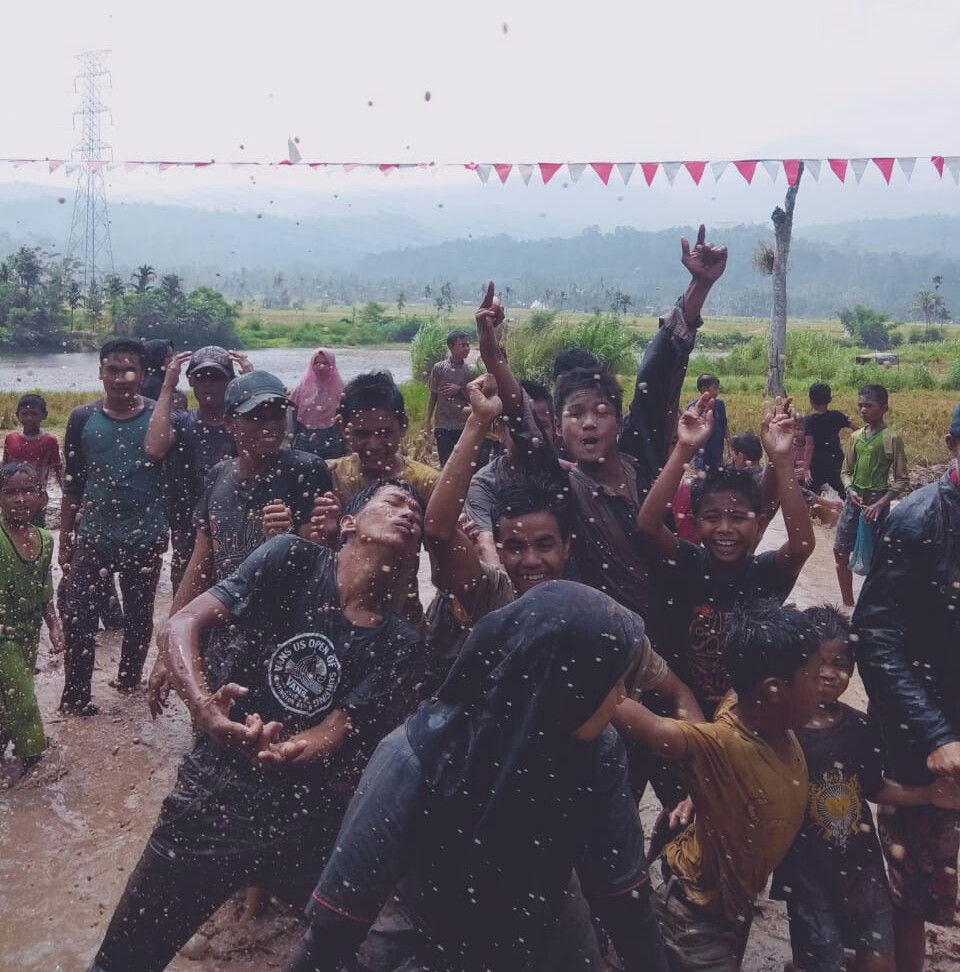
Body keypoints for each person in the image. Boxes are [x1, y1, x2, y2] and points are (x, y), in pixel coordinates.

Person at [90, 481, 427, 972]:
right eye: (395, 502)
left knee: (367, 956)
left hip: (305, 824)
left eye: (416, 512)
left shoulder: (399, 643)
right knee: (121, 964)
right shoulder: (290, 558)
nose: (408, 513)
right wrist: (205, 709)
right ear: (350, 523)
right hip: (209, 802)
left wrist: (288, 749)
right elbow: (182, 624)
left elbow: (334, 733)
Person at [286, 582, 670, 972]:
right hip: (425, 931)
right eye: (612, 682)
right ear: (567, 687)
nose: (623, 696)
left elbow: (624, 897)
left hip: (547, 919)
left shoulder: (599, 750)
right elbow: (337, 923)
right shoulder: (415, 757)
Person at [476, 224, 728, 645]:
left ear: (618, 421)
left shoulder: (641, 459)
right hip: (602, 641)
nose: (589, 422)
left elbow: (656, 370)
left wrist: (698, 288)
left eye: (601, 412)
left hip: (670, 628)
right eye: (575, 413)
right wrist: (490, 352)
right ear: (557, 426)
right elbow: (521, 417)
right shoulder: (560, 483)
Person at [616, 599, 825, 970]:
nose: (823, 685)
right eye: (814, 675)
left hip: (732, 901)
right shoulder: (725, 743)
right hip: (689, 912)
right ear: (775, 689)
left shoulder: (752, 707)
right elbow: (655, 729)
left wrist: (706, 791)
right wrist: (597, 682)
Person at [771, 605, 960, 972]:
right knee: (819, 960)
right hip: (806, 871)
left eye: (841, 663)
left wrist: (926, 795)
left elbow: (874, 788)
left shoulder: (860, 727)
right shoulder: (782, 730)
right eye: (817, 663)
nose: (829, 674)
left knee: (880, 964)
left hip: (861, 865)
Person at [146, 368, 335, 717]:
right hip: (224, 634)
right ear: (230, 424)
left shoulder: (306, 470)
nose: (270, 425)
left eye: (277, 413)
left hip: (285, 639)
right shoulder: (219, 476)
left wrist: (290, 538)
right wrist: (166, 650)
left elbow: (325, 557)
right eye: (256, 416)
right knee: (214, 727)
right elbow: (199, 568)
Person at [852, 402, 960, 972]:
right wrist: (937, 732)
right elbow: (876, 637)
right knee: (913, 886)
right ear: (953, 445)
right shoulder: (918, 521)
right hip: (926, 736)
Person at [635, 395, 815, 718]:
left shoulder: (763, 574)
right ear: (696, 521)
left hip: (748, 720)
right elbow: (648, 526)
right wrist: (684, 449)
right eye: (712, 517)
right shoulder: (688, 563)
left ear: (759, 524)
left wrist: (783, 460)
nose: (725, 529)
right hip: (683, 714)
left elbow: (802, 545)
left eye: (737, 517)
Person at [59, 338, 168, 716]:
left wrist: (167, 525)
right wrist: (65, 539)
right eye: (113, 369)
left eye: (130, 369)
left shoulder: (159, 413)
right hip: (95, 535)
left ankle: (128, 679)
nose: (122, 378)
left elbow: (169, 477)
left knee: (139, 615)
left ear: (143, 373)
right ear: (100, 372)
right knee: (80, 617)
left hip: (146, 534)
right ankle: (76, 697)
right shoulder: (81, 418)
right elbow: (73, 484)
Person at [144, 346, 250, 592]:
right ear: (190, 381)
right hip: (187, 535)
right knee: (184, 607)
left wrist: (248, 384)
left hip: (237, 533)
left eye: (217, 377)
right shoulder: (181, 421)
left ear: (230, 381)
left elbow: (271, 443)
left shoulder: (240, 425)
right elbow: (154, 448)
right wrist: (167, 386)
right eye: (201, 378)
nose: (208, 385)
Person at [0, 463, 63, 778]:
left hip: (28, 632)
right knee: (22, 697)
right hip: (2, 635)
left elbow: (44, 590)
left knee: (9, 693)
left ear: (42, 498)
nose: (20, 499)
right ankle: (33, 758)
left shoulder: (44, 539)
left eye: (28, 491)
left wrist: (54, 627)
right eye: (11, 492)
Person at [833, 384, 908, 606]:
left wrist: (882, 503)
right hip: (854, 501)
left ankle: (871, 604)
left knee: (877, 557)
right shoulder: (855, 437)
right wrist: (849, 489)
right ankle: (848, 604)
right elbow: (846, 471)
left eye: (869, 405)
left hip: (877, 503)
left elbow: (902, 479)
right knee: (840, 550)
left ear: (884, 408)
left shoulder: (891, 438)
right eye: (860, 405)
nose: (863, 410)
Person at [2, 394, 62, 526]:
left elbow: (58, 470)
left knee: (35, 535)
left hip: (36, 500)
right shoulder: (11, 439)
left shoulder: (49, 441)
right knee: (8, 535)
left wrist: (67, 495)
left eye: (34, 414)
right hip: (10, 498)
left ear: (44, 415)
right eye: (25, 413)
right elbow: (4, 468)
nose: (29, 418)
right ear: (18, 415)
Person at [424, 329, 475, 466]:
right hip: (443, 424)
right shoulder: (439, 368)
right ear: (451, 347)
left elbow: (473, 398)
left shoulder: (470, 371)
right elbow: (433, 394)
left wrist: (459, 390)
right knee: (445, 464)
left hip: (462, 425)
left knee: (462, 463)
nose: (466, 349)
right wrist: (428, 420)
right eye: (462, 345)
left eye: (468, 345)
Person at [290, 347, 348, 459]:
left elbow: (346, 415)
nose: (321, 367)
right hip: (305, 438)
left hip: (333, 439)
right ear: (311, 365)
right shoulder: (302, 388)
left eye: (326, 363)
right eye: (317, 363)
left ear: (332, 364)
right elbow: (292, 412)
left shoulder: (340, 388)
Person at [802, 382, 852, 499]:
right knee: (844, 490)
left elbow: (809, 446)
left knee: (808, 493)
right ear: (830, 399)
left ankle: (811, 515)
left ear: (811, 401)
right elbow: (856, 428)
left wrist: (806, 469)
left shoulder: (808, 420)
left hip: (817, 463)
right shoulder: (837, 416)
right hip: (835, 460)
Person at [688, 373, 729, 471]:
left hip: (717, 450)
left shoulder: (720, 405)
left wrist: (730, 444)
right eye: (715, 388)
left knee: (716, 480)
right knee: (702, 481)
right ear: (704, 389)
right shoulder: (693, 408)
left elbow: (724, 424)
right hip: (701, 454)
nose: (717, 391)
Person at [140, 338, 188, 409]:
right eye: (168, 357)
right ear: (156, 358)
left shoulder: (160, 380)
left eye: (172, 355)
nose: (172, 360)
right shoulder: (150, 386)